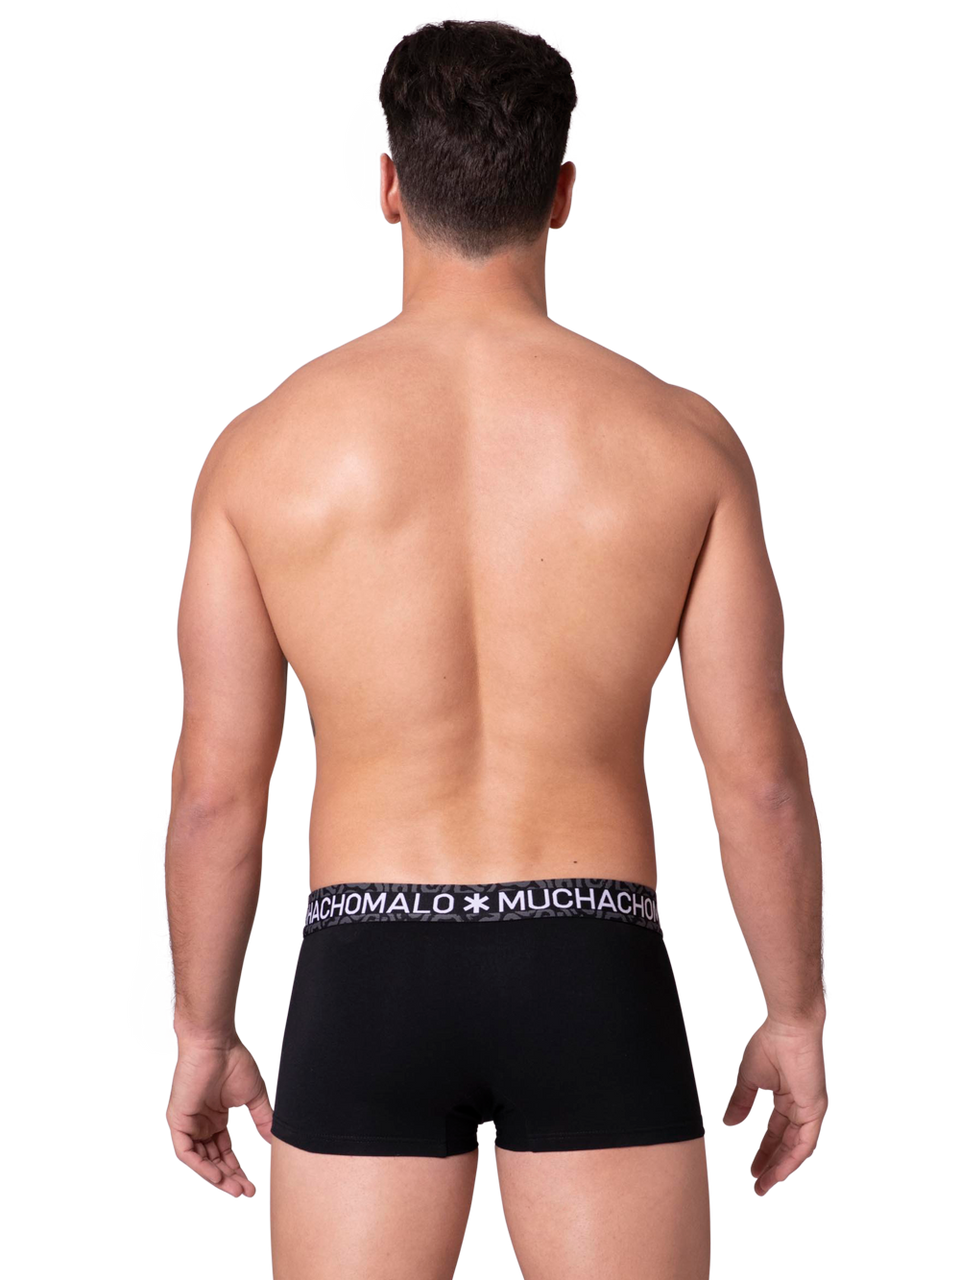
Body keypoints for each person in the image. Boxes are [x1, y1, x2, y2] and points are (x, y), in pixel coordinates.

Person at [161, 15, 831, 1279]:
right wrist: (795, 1013)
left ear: (390, 185)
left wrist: (201, 1030)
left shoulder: (263, 450)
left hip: (366, 961)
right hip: (593, 954)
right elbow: (754, 774)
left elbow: (214, 792)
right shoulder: (682, 441)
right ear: (563, 191)